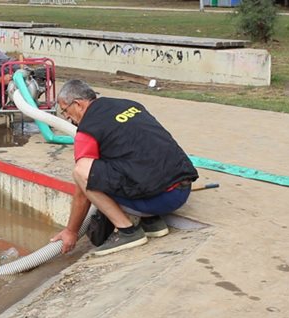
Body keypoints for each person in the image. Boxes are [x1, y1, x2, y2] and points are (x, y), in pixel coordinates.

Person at [51, 79, 199, 256]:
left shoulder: (88, 129)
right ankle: (152, 223)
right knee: (128, 156)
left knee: (82, 171)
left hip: (160, 200)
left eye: (65, 110)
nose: (66, 117)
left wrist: (71, 231)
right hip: (182, 189)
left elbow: (83, 188)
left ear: (78, 104)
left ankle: (128, 232)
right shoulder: (129, 105)